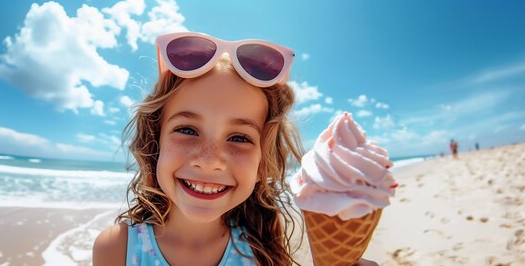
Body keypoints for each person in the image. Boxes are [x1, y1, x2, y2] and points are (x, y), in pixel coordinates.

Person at [92, 32, 378, 266]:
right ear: (155, 143)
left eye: (239, 138)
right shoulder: (117, 249)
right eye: (187, 130)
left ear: (262, 164)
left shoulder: (262, 248)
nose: (210, 161)